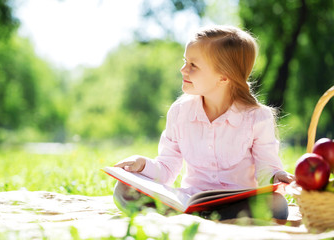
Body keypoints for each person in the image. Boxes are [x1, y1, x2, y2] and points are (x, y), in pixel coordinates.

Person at [113, 25, 295, 220]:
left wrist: (276, 177)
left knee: (277, 204)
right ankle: (197, 214)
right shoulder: (179, 112)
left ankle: (190, 217)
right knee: (123, 190)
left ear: (224, 77)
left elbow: (266, 170)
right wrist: (142, 165)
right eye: (185, 62)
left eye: (193, 65)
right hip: (190, 198)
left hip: (238, 202)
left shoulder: (257, 118)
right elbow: (166, 169)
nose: (183, 69)